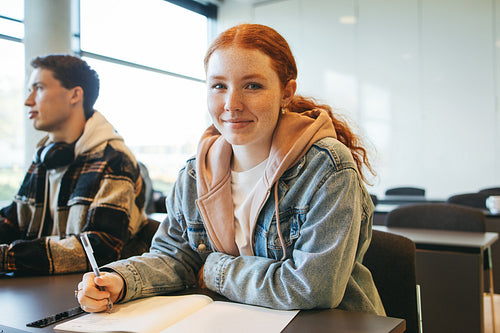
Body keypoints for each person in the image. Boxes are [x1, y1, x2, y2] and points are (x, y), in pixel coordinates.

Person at [77, 23, 385, 315]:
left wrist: (214, 269)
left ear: (286, 93)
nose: (232, 103)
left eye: (252, 85)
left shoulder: (327, 167)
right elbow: (175, 257)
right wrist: (120, 280)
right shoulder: (195, 173)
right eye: (219, 86)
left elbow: (312, 288)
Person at [0, 54, 147, 275]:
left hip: (89, 295)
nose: (28, 100)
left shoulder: (115, 159)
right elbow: (13, 220)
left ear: (75, 95)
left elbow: (100, 247)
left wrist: (6, 258)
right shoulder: (44, 158)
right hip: (39, 289)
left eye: (39, 88)